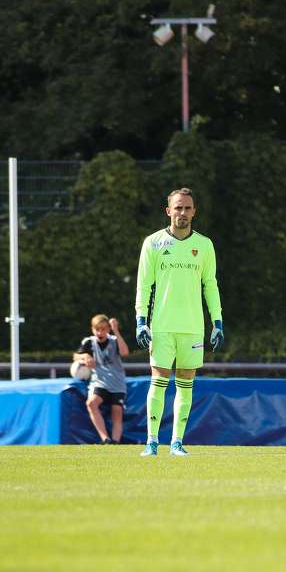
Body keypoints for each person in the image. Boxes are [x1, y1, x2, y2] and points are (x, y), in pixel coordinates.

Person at [134, 187, 223, 456]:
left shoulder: (205, 245)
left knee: (186, 382)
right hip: (161, 325)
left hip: (193, 326)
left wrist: (217, 321)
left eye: (187, 208)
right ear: (168, 210)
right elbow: (144, 284)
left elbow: (210, 284)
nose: (182, 212)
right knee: (158, 380)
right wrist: (141, 320)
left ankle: (176, 442)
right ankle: (151, 442)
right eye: (178, 207)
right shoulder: (153, 243)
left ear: (194, 211)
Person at [74, 314, 130, 444]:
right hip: (99, 382)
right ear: (93, 329)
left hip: (117, 383)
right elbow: (75, 356)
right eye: (97, 329)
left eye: (104, 329)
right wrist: (85, 356)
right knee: (91, 403)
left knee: (117, 412)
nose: (100, 332)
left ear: (108, 329)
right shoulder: (89, 342)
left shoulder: (114, 340)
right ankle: (105, 439)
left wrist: (116, 330)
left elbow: (125, 352)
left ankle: (115, 442)